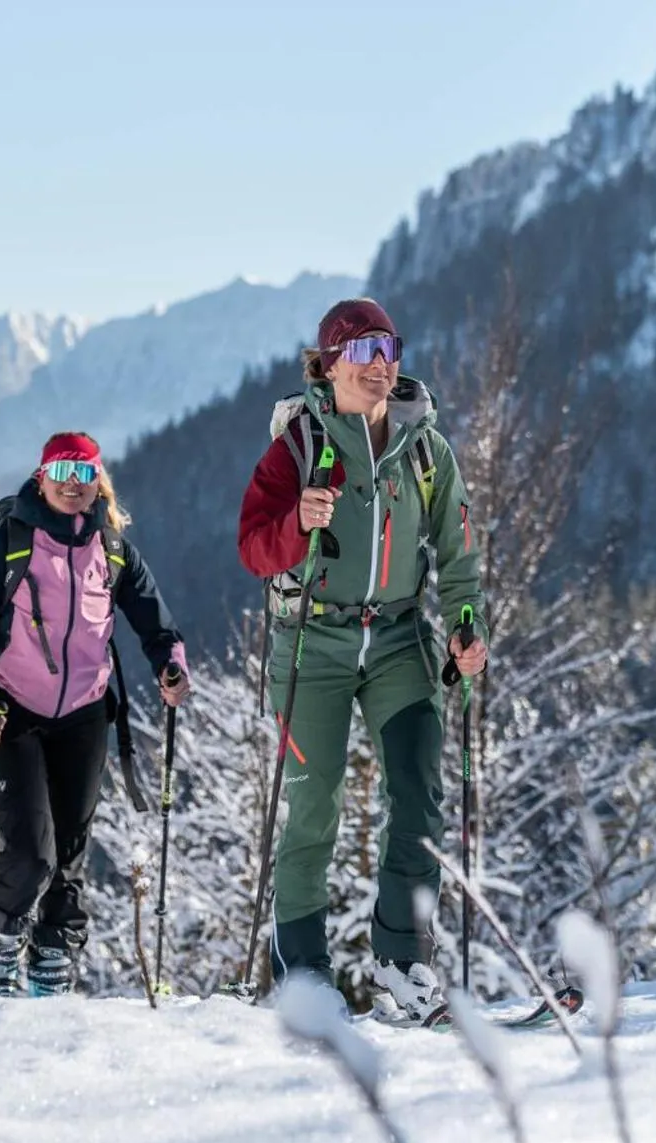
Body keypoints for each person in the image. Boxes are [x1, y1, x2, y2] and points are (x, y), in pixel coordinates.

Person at [237, 298, 488, 1022]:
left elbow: (458, 554)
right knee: (311, 807)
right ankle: (304, 977)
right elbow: (253, 545)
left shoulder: (425, 449)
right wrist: (295, 524)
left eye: (390, 349)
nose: (381, 365)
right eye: (364, 351)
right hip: (312, 640)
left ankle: (401, 965)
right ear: (329, 363)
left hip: (400, 638)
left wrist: (466, 625)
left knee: (416, 796)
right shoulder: (297, 444)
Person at [0, 432, 189, 997]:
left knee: (70, 856)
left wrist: (171, 667)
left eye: (84, 476)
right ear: (41, 476)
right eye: (62, 474)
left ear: (98, 481)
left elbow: (158, 625)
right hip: (11, 714)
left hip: (83, 717)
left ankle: (52, 968)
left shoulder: (114, 548)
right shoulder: (11, 543)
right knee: (31, 855)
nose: (73, 487)